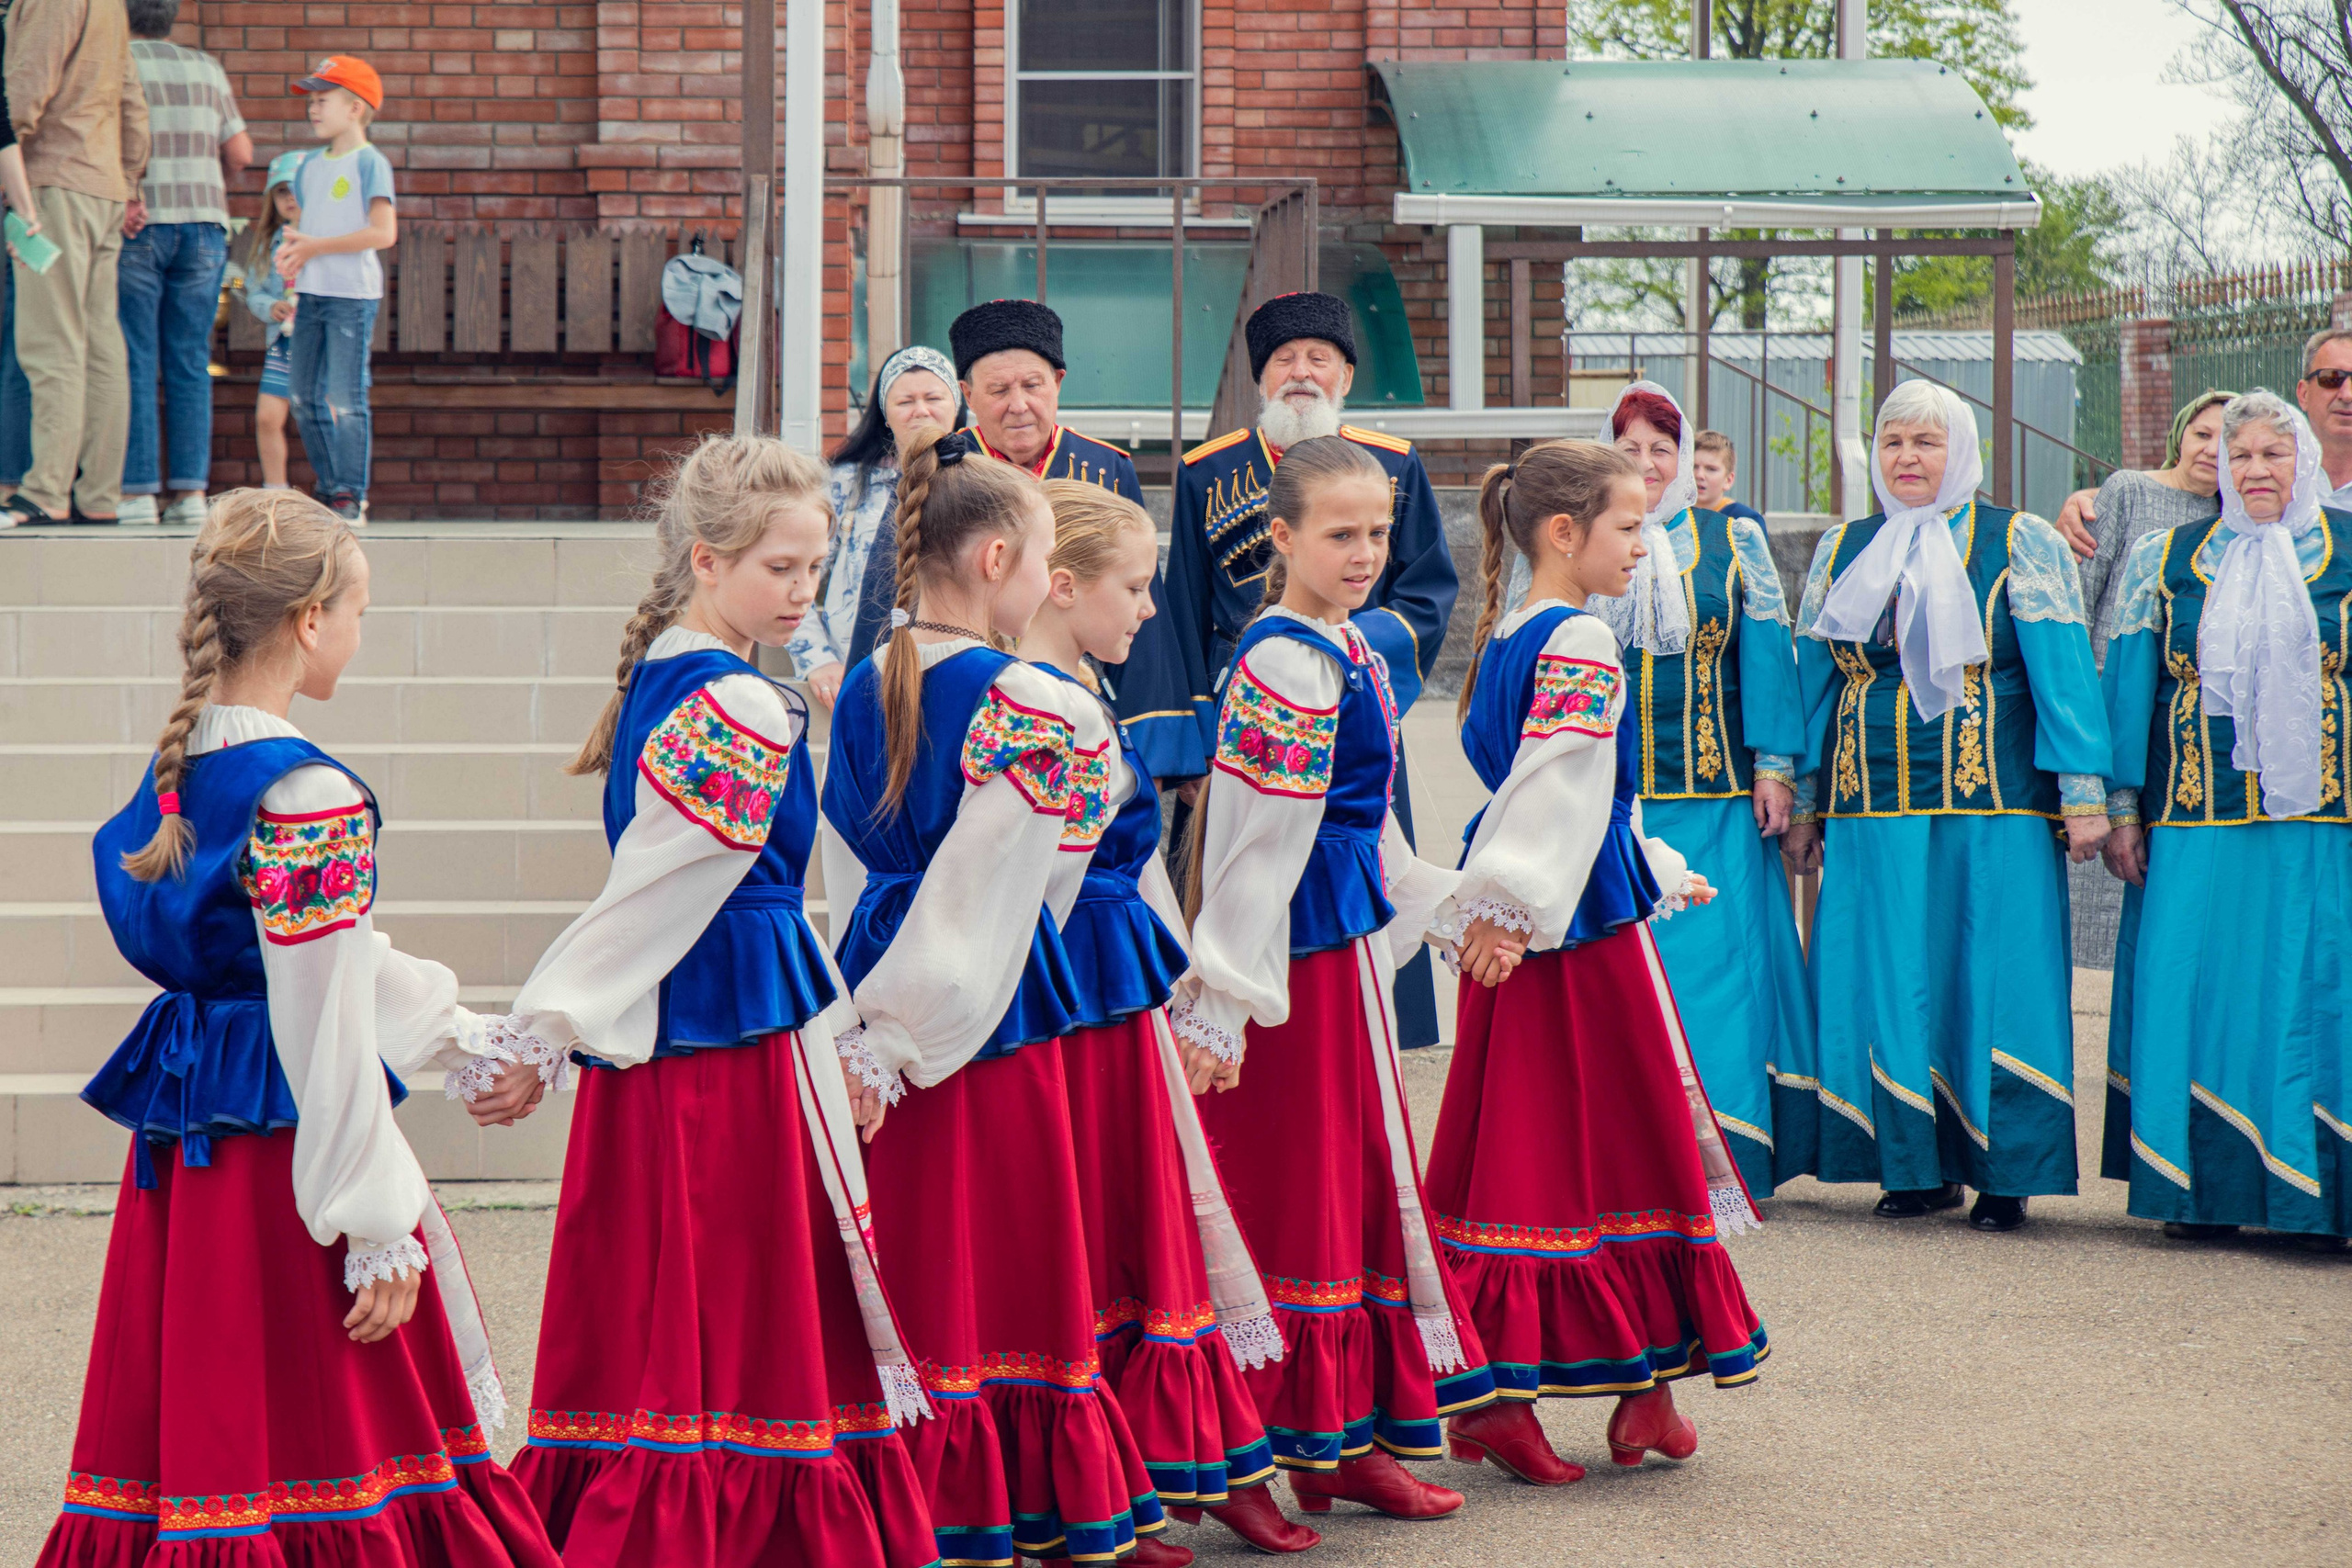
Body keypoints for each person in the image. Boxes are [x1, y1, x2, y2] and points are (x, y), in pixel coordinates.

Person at [38, 491, 557, 1565]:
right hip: (285, 1143)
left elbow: (331, 961)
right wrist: (375, 1226)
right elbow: (318, 1007)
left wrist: (460, 1042)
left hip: (198, 1134)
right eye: (360, 611)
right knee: (327, 1437)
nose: (361, 636)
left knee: (215, 1421)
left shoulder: (181, 777)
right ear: (312, 619)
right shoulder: (305, 791)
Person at [489, 436, 940, 1565]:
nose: (803, 591)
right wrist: (545, 1028)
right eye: (780, 568)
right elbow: (656, 890)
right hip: (718, 1031)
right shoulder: (736, 698)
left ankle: (686, 1502)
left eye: (815, 568)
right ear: (706, 559)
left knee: (685, 1274)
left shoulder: (690, 676)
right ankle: (720, 1524)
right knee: (731, 1272)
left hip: (706, 1008)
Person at [823, 427, 1181, 1567]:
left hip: (883, 954)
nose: (1044, 585)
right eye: (1036, 561)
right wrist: (901, 1033)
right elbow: (993, 885)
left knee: (923, 1240)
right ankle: (1019, 1504)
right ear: (994, 564)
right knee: (1009, 1243)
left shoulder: (865, 680)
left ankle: (917, 1491)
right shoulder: (1032, 697)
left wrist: (868, 1020)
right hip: (982, 987)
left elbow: (869, 859)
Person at [1427, 437, 1767, 1486]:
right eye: (1628, 526)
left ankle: (1627, 1393)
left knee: (1536, 1151)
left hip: (1549, 913)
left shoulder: (1511, 629)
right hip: (1566, 939)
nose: (1643, 544)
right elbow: (1565, 793)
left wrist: (1648, 863)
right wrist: (1517, 910)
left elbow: (1554, 791)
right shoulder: (1577, 633)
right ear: (1564, 533)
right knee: (1606, 1144)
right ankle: (1564, 1399)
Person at [1173, 434, 1496, 1524]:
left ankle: (1346, 1433)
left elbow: (1373, 831)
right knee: (1294, 1192)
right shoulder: (1283, 660)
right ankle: (1251, 1453)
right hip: (1289, 966)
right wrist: (1219, 999)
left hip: (1340, 942)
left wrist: (1456, 908)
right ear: (1281, 537)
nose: (1363, 555)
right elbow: (1254, 845)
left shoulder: (1351, 645)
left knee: (1355, 1185)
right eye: (1339, 535)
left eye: (1377, 534)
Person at [1017, 479, 1317, 1556]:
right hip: (1077, 985)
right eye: (1134, 587)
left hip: (1120, 975)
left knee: (1152, 1222)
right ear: (1060, 588)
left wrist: (1197, 995)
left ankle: (1186, 1463)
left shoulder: (1080, 694)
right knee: (1110, 1225)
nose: (1151, 609)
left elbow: (1137, 866)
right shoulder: (1043, 704)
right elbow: (1044, 882)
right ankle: (1123, 1480)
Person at [1781, 381, 2111, 1233]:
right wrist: (1806, 797)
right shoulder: (1843, 547)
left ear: (1959, 450)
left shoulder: (2019, 540)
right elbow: (1814, 681)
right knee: (1891, 974)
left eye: (1927, 442)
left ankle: (2007, 1170)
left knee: (1995, 970)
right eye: (1893, 443)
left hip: (1992, 800)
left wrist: (2083, 791)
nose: (1908, 459)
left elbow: (2060, 669)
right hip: (1873, 799)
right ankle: (1913, 1164)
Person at [1160, 291, 1458, 1048]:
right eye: (1283, 360)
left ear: (1346, 374)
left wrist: (1350, 662)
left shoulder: (1394, 465)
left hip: (1355, 714)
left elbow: (1426, 592)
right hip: (1238, 721)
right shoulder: (1205, 471)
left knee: (1357, 871)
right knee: (1240, 871)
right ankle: (1220, 1015)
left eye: (1318, 358)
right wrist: (1191, 743)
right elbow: (1184, 610)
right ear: (1260, 379)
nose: (1301, 373)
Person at [2098, 391, 2352, 1252]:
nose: (2254, 471)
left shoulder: (2348, 553)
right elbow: (2132, 685)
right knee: (2195, 990)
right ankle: (2195, 1187)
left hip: (2319, 821)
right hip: (2195, 820)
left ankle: (2314, 1196)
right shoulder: (2164, 559)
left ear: (2303, 462)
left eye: (2273, 456)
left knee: (2305, 993)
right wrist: (2122, 809)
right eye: (2239, 456)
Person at [1576, 382, 1814, 1197]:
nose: (1645, 466)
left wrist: (1775, 766)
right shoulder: (1580, 539)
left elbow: (1767, 653)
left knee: (1718, 974)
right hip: (1610, 802)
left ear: (1685, 461)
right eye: (1629, 450)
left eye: (1662, 450)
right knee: (1626, 978)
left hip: (1712, 796)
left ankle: (1729, 1159)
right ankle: (1632, 1162)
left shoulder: (1729, 540)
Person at [937, 295, 1214, 781]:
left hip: (1087, 704)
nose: (1018, 405)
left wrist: (1161, 749)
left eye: (1033, 385)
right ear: (968, 394)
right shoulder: (944, 476)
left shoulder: (1108, 468)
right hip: (970, 700)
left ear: (1058, 384)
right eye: (998, 389)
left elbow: (1143, 612)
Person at [795, 343, 963, 931]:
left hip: (949, 678)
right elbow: (802, 581)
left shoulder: (974, 479)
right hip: (857, 681)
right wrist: (816, 660)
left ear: (957, 403)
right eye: (905, 399)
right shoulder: (844, 483)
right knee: (854, 817)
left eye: (933, 397)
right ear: (883, 413)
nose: (920, 410)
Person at [5, 0, 149, 525]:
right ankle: (99, 496)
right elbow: (132, 96)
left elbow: (23, 89)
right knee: (100, 346)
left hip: (54, 179)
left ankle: (45, 492)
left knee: (51, 343)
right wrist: (131, 180)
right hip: (104, 186)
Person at [114, 0, 247, 526]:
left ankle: (139, 493)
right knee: (190, 360)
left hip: (139, 223)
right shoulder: (206, 67)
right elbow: (239, 152)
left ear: (125, 18)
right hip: (205, 226)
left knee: (137, 357)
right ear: (172, 20)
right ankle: (191, 496)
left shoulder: (117, 63)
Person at [2052, 327, 2352, 557]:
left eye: (2273, 454)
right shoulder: (2254, 484)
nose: (2347, 394)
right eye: (2331, 378)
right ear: (2303, 393)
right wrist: (2086, 501)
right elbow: (2170, 489)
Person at [279, 55, 395, 523]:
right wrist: (291, 254)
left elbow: (383, 233)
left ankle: (349, 493)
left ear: (356, 107)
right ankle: (329, 489)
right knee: (304, 397)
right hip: (311, 295)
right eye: (312, 100)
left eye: (323, 99)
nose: (313, 108)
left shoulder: (371, 162)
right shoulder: (307, 166)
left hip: (352, 296)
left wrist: (315, 247)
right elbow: (306, 230)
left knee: (346, 400)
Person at [2074, 391, 2231, 661]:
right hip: (2105, 677)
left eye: (2228, 442)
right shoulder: (2129, 490)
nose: (2213, 450)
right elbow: (2081, 594)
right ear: (2180, 437)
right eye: (2202, 435)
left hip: (2180, 687)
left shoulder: (2232, 520)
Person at [232, 152, 303, 491]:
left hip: (322, 343)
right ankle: (276, 492)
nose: (290, 197)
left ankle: (337, 490)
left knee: (329, 418)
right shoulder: (268, 244)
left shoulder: (326, 240)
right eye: (281, 191)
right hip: (284, 344)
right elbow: (251, 289)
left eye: (297, 188)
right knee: (267, 417)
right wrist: (270, 306)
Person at [1690, 428, 1766, 527]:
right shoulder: (1672, 516)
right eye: (1693, 467)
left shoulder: (1745, 520)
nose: (1699, 475)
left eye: (1711, 469)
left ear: (1728, 480)